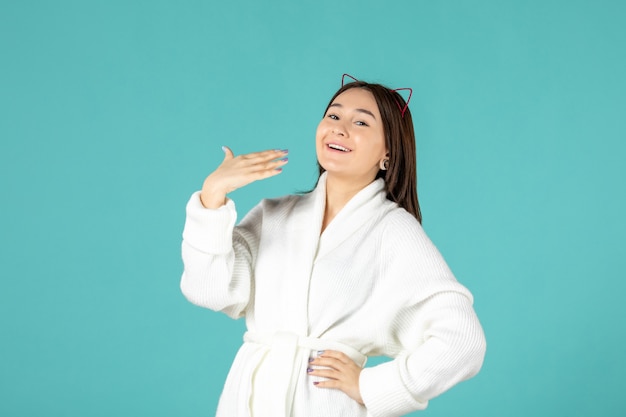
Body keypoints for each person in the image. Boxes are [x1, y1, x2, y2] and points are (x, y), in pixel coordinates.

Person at [180, 75, 486, 417]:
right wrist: (212, 197)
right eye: (333, 115)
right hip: (248, 400)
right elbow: (211, 291)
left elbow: (463, 341)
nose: (339, 129)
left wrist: (372, 387)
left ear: (388, 150)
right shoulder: (274, 214)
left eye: (360, 122)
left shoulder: (394, 231)